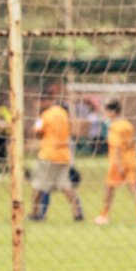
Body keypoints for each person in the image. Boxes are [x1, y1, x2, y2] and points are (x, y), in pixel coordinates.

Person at [28, 89, 84, 222]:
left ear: (46, 101)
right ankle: (77, 213)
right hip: (64, 154)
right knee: (65, 185)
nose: (39, 105)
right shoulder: (63, 113)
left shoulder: (45, 115)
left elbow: (37, 132)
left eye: (40, 102)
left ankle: (34, 213)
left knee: (38, 185)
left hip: (48, 154)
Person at [95, 99, 136, 225]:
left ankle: (104, 216)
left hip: (118, 162)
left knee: (109, 189)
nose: (106, 114)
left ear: (113, 112)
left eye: (107, 111)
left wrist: (118, 164)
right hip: (131, 159)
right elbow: (132, 143)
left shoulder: (114, 127)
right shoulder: (127, 124)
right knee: (133, 188)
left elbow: (116, 146)